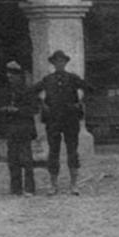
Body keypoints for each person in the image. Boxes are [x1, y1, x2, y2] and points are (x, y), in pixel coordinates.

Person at [31, 50, 87, 195]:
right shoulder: (48, 79)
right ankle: (53, 185)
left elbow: (89, 88)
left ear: (65, 63)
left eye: (62, 61)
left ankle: (74, 185)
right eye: (56, 61)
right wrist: (42, 103)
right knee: (53, 152)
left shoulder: (73, 78)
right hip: (53, 120)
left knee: (72, 151)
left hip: (70, 119)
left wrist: (80, 103)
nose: (59, 64)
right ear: (53, 64)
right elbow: (33, 91)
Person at [0, 61, 38, 196]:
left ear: (20, 76)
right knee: (12, 159)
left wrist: (17, 110)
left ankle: (29, 188)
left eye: (13, 75)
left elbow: (34, 109)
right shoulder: (5, 91)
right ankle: (15, 188)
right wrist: (4, 109)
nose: (10, 77)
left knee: (26, 159)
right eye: (9, 75)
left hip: (24, 127)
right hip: (11, 128)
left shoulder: (29, 91)